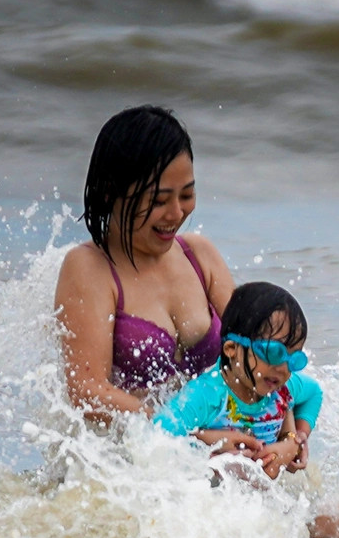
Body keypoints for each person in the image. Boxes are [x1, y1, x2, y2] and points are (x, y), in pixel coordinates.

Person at [55, 105, 237, 424]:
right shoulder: (89, 268)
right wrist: (180, 433)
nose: (177, 213)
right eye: (158, 201)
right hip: (125, 464)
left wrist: (290, 435)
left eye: (187, 195)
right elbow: (86, 391)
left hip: (210, 448)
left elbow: (256, 352)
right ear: (111, 192)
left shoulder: (200, 255)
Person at [154, 282, 322, 481]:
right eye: (273, 353)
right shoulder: (207, 394)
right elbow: (156, 438)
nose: (284, 368)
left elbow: (314, 393)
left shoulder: (282, 387)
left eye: (294, 359)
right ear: (231, 349)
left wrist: (295, 440)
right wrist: (209, 442)